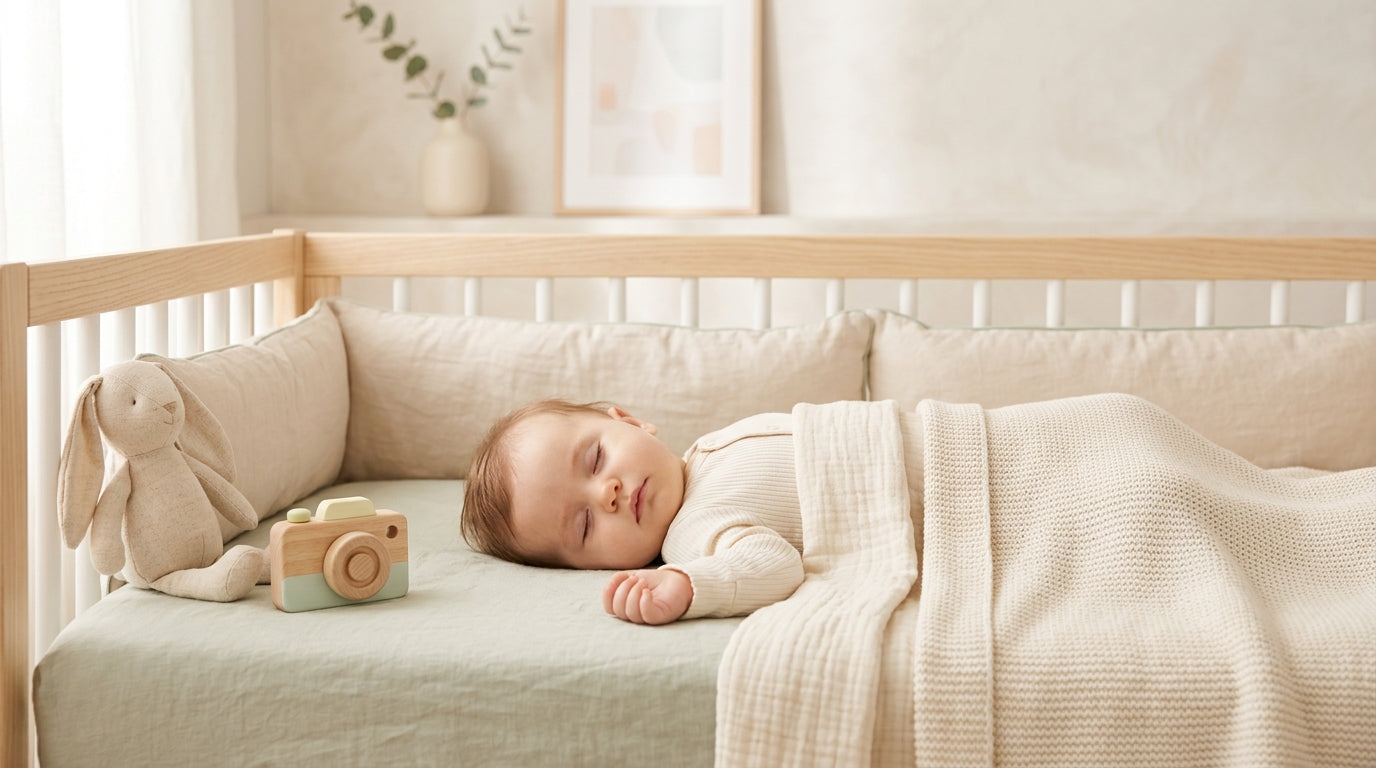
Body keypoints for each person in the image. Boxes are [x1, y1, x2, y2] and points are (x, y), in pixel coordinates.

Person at [461, 399, 803, 625]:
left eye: (595, 459)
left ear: (632, 423)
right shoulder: (691, 534)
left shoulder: (708, 449)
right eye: (585, 524)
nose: (606, 494)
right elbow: (777, 565)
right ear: (588, 568)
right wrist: (686, 585)